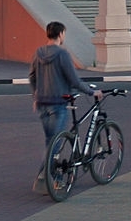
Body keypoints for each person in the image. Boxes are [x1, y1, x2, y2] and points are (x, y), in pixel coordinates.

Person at [29, 21, 102, 193]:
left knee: (50, 142)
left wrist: (35, 96)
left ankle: (46, 177)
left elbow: (32, 76)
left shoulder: (38, 52)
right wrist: (92, 93)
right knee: (57, 143)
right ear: (61, 34)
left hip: (42, 104)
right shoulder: (62, 54)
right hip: (58, 103)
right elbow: (74, 80)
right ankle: (45, 177)